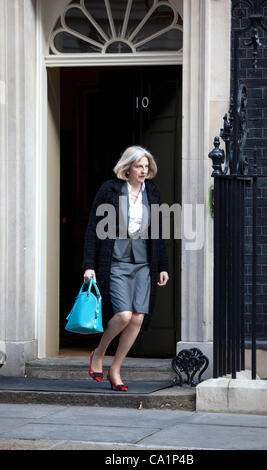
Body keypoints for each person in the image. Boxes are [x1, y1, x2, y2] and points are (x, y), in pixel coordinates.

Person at [82, 145, 169, 391]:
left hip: (144, 263)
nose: (144, 171)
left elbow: (159, 232)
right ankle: (98, 353)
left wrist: (162, 265)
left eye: (146, 166)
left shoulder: (152, 192)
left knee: (138, 318)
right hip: (116, 262)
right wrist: (89, 265)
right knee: (123, 315)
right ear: (127, 168)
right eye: (139, 166)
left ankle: (116, 369)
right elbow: (93, 228)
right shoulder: (109, 190)